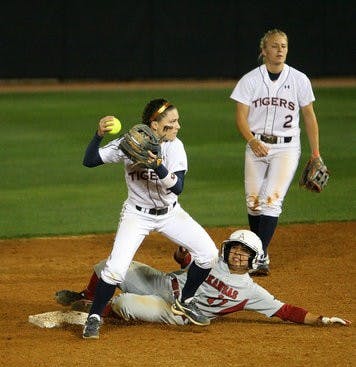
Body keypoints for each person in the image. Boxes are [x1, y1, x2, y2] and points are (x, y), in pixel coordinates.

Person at [81, 98, 219, 339]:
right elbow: (90, 160)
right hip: (137, 215)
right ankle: (94, 318)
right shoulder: (129, 143)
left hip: (171, 214)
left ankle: (186, 300)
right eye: (172, 122)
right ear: (154, 124)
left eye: (177, 121)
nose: (177, 126)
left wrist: (157, 165)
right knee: (115, 270)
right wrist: (98, 135)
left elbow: (178, 188)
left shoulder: (175, 147)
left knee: (209, 254)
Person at [55, 230, 351, 328]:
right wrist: (182, 258)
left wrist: (322, 319)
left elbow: (286, 311)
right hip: (162, 283)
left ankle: (104, 311)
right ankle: (88, 296)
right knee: (110, 264)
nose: (237, 255)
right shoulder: (212, 260)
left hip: (176, 313)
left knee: (125, 303)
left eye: (244, 253)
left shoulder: (252, 291)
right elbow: (190, 263)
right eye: (234, 249)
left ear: (253, 260)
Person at [230, 29, 323, 276]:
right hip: (256, 144)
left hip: (287, 147)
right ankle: (262, 252)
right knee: (253, 202)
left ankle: (258, 255)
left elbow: (309, 116)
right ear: (264, 50)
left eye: (283, 46)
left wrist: (316, 154)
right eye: (274, 46)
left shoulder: (299, 79)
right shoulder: (250, 80)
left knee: (271, 200)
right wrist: (250, 140)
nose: (280, 50)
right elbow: (240, 116)